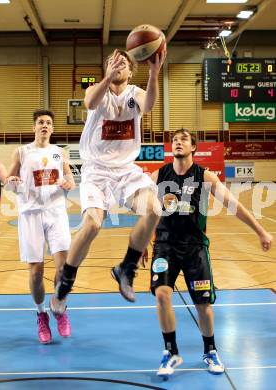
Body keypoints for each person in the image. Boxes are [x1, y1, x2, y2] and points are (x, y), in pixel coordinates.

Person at [148, 128, 273, 378]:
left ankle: (210, 350)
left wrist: (260, 231)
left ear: (193, 147)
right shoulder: (158, 176)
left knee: (202, 303)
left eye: (183, 139)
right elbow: (147, 211)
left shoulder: (205, 178)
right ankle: (171, 351)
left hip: (195, 247)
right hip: (165, 245)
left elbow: (234, 206)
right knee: (162, 294)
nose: (178, 142)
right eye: (174, 140)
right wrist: (141, 242)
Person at [50, 48, 165, 314]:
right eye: (114, 62)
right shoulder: (98, 91)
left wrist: (154, 72)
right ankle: (65, 285)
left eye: (124, 62)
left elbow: (148, 105)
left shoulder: (134, 93)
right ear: (107, 68)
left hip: (125, 169)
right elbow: (89, 102)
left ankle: (126, 268)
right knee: (92, 224)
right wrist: (106, 76)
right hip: (96, 170)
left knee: (154, 210)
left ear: (130, 70)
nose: (119, 65)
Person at [5, 109, 75, 344]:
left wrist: (68, 182)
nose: (44, 125)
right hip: (30, 214)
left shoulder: (59, 153)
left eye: (48, 123)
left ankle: (60, 307)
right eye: (40, 122)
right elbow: (9, 180)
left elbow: (71, 179)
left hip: (56, 212)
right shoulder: (22, 152)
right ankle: (41, 313)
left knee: (64, 267)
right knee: (36, 272)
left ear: (52, 129)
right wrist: (11, 180)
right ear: (34, 127)